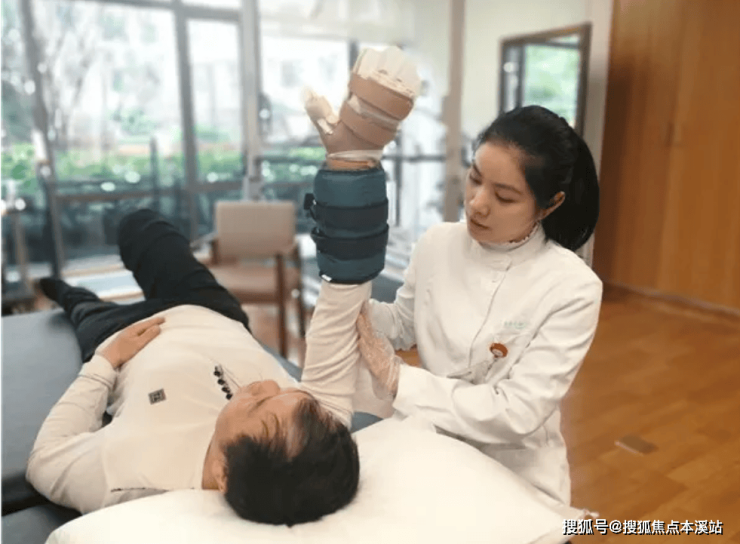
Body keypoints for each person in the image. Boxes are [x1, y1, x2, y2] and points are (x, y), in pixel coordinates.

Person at [26, 46, 420, 525]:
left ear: (225, 473)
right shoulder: (313, 435)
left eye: (261, 407)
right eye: (288, 392)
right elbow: (344, 291)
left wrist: (106, 363)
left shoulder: (130, 473)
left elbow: (45, 461)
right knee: (139, 224)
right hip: (211, 310)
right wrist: (355, 160)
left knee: (76, 303)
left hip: (126, 338)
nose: (265, 384)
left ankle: (62, 291)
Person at [354, 105, 603, 506]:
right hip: (430, 442)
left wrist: (399, 380)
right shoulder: (437, 243)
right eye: (474, 178)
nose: (477, 204)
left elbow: (517, 411)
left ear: (549, 204)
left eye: (504, 197)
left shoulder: (572, 287)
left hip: (514, 471)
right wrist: (350, 304)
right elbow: (402, 323)